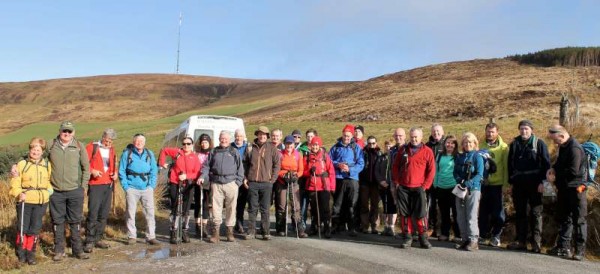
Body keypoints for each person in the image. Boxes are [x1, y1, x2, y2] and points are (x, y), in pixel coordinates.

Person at [48, 121, 91, 261]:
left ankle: (77, 250)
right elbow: (35, 156)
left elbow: (86, 168)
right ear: (59, 131)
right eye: (64, 131)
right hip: (55, 191)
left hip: (74, 191)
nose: (66, 134)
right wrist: (17, 166)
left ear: (73, 133)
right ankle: (59, 251)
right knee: (57, 221)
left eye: (69, 131)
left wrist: (83, 187)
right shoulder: (51, 145)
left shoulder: (79, 146)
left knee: (75, 221)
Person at [507, 120, 550, 252]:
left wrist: (544, 183)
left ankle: (536, 243)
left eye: (526, 129)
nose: (523, 131)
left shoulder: (539, 143)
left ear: (531, 130)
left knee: (536, 212)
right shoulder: (514, 144)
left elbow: (547, 165)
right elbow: (510, 165)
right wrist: (510, 183)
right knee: (520, 213)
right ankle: (521, 241)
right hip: (519, 184)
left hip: (535, 184)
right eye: (521, 129)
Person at [546, 125, 587, 261]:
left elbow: (573, 171)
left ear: (562, 136)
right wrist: (552, 170)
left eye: (555, 140)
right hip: (564, 188)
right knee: (565, 217)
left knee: (579, 219)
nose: (554, 143)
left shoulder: (574, 148)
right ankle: (563, 247)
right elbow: (559, 164)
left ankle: (580, 251)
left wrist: (557, 176)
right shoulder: (563, 147)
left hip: (576, 189)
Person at [10, 137, 53, 265]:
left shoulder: (46, 164)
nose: (35, 152)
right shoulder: (22, 164)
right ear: (30, 149)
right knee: (23, 228)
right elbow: (15, 181)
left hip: (41, 201)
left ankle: (31, 253)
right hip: (25, 200)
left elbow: (49, 181)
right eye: (33, 149)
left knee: (35, 228)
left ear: (42, 151)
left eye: (38, 150)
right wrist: (18, 193)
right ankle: (21, 254)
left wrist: (49, 191)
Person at [392, 127, 435, 249]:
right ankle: (408, 237)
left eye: (416, 137)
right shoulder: (403, 150)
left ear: (421, 137)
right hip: (404, 187)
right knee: (405, 214)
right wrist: (397, 182)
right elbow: (395, 167)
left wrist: (425, 186)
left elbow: (431, 171)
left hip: (419, 188)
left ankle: (423, 238)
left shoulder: (427, 151)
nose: (414, 139)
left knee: (421, 214)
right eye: (412, 137)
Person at [199, 131, 244, 243]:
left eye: (226, 139)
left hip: (231, 184)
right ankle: (216, 233)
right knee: (215, 208)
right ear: (219, 139)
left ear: (229, 139)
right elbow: (206, 167)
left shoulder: (234, 152)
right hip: (216, 183)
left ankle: (229, 232)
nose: (224, 140)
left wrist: (237, 183)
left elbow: (240, 169)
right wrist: (203, 176)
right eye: (222, 138)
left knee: (231, 208)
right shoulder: (213, 151)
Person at [159, 136, 201, 244]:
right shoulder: (177, 152)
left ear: (192, 145)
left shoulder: (195, 157)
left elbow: (197, 172)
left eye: (188, 144)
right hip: (175, 183)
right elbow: (164, 150)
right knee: (175, 208)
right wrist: (162, 163)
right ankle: (173, 231)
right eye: (184, 143)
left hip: (189, 184)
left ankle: (184, 231)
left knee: (186, 209)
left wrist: (187, 176)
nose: (186, 146)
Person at [119, 133, 159, 246]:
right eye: (137, 141)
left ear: (144, 142)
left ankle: (151, 236)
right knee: (130, 213)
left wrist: (151, 185)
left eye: (141, 141)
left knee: (150, 213)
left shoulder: (149, 154)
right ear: (133, 142)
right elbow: (121, 170)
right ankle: (132, 236)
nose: (139, 142)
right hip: (131, 188)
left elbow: (154, 171)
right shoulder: (127, 154)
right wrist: (126, 187)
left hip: (147, 188)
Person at [83, 129, 118, 253]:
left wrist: (116, 174)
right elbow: (83, 163)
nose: (108, 143)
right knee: (93, 213)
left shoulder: (112, 150)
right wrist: (92, 171)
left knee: (103, 214)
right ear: (102, 137)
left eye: (111, 141)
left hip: (108, 185)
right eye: (107, 140)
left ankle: (98, 238)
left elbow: (113, 165)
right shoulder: (92, 147)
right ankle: (89, 241)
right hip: (95, 184)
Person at [243, 126, 281, 240]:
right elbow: (245, 164)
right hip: (252, 183)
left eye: (264, 134)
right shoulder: (250, 148)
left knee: (265, 209)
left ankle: (266, 232)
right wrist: (245, 177)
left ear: (267, 136)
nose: (262, 136)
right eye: (260, 134)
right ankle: (251, 231)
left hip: (266, 183)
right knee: (252, 208)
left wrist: (272, 180)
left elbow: (277, 165)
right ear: (257, 135)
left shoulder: (272, 148)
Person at [330, 124, 365, 236]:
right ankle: (336, 225)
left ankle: (352, 227)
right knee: (337, 204)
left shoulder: (357, 148)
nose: (347, 138)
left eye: (349, 136)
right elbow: (329, 162)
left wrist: (350, 169)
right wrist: (338, 165)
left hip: (352, 179)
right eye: (345, 135)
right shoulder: (335, 147)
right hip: (339, 178)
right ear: (342, 134)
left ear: (352, 136)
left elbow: (361, 164)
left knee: (352, 204)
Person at [478, 123, 509, 247]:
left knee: (498, 212)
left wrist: (506, 184)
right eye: (488, 131)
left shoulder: (504, 148)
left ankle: (496, 235)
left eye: (492, 132)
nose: (490, 134)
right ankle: (483, 235)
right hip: (484, 184)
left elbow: (506, 167)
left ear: (497, 132)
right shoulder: (480, 146)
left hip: (498, 184)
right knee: (483, 211)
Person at [453, 132, 484, 251]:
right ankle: (464, 239)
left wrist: (468, 183)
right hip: (460, 189)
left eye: (470, 142)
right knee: (460, 215)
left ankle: (473, 240)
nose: (468, 144)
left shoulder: (477, 157)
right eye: (465, 142)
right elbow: (455, 172)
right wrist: (460, 181)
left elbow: (480, 174)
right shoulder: (460, 157)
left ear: (475, 143)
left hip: (473, 190)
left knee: (471, 215)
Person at [304, 136, 336, 238]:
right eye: (313, 144)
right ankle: (315, 226)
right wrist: (309, 171)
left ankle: (327, 228)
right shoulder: (307, 157)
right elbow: (303, 172)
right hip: (312, 186)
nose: (315, 146)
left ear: (320, 145)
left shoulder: (325, 156)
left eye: (317, 144)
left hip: (324, 186)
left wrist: (332, 187)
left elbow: (331, 172)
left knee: (325, 208)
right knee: (314, 208)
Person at [275, 135, 307, 237]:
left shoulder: (298, 155)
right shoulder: (280, 154)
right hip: (282, 181)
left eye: (291, 143)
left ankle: (299, 228)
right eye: (287, 143)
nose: (289, 145)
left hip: (294, 181)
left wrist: (296, 175)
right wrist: (282, 175)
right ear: (285, 144)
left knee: (296, 205)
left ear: (294, 144)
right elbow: (276, 169)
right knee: (282, 205)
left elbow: (301, 170)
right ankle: (281, 227)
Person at [378, 128, 406, 237]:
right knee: (392, 206)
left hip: (404, 184)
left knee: (404, 208)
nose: (398, 138)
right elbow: (390, 168)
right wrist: (391, 183)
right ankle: (389, 228)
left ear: (404, 136)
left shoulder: (407, 149)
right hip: (392, 183)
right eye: (396, 136)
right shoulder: (392, 151)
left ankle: (406, 231)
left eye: (400, 135)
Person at [432, 135, 460, 242]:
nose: (450, 145)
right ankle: (445, 233)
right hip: (441, 188)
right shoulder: (439, 156)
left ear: (455, 145)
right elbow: (436, 171)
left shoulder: (458, 156)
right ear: (444, 144)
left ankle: (458, 235)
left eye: (452, 143)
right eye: (448, 142)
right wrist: (435, 184)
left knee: (456, 212)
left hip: (454, 188)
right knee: (444, 213)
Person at [358, 136, 383, 234]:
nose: (371, 145)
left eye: (373, 143)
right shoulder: (363, 153)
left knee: (375, 205)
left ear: (376, 143)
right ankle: (364, 226)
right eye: (369, 143)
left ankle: (374, 226)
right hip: (364, 182)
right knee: (364, 205)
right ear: (367, 143)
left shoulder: (380, 153)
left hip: (376, 184)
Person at [426, 123, 445, 237]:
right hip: (430, 180)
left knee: (442, 206)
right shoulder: (427, 145)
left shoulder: (446, 144)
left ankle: (441, 229)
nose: (436, 133)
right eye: (434, 131)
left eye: (438, 131)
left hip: (443, 180)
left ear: (442, 132)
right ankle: (431, 227)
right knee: (430, 205)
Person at [297, 128, 318, 231]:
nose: (310, 139)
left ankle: (315, 225)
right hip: (304, 180)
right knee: (303, 204)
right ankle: (303, 225)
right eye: (308, 136)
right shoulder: (302, 149)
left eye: (312, 136)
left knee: (314, 205)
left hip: (315, 181)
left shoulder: (319, 149)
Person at [195, 134, 213, 238]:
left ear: (209, 143)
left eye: (206, 142)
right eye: (202, 142)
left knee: (206, 204)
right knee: (198, 203)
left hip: (209, 181)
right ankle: (197, 226)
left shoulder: (212, 153)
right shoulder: (197, 153)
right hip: (197, 181)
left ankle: (204, 226)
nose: (204, 144)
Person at [231, 129, 249, 234]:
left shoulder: (248, 148)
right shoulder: (230, 147)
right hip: (232, 179)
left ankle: (239, 223)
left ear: (244, 137)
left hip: (244, 179)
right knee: (232, 203)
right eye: (237, 136)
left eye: (241, 136)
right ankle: (231, 225)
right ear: (234, 136)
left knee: (241, 203)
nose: (239, 138)